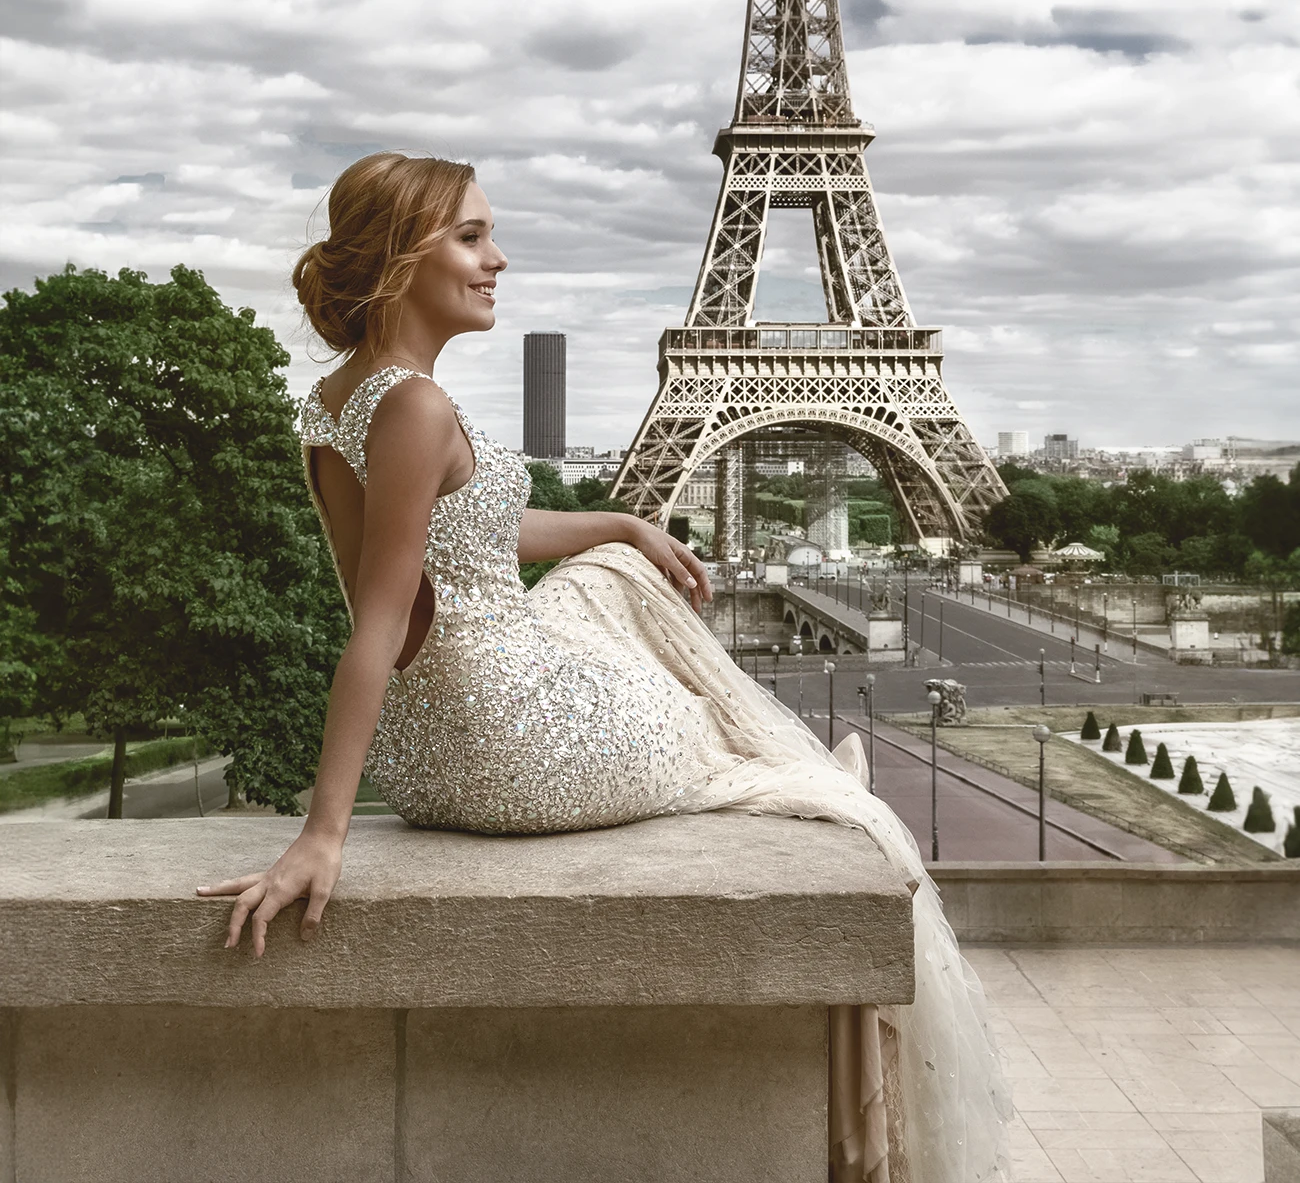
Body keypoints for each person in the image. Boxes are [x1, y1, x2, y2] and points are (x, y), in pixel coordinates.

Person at [197, 152, 1010, 1183]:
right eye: (472, 236)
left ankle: (763, 765)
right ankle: (786, 778)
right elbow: (378, 622)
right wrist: (322, 835)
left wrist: (625, 518)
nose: (499, 257)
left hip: (431, 747)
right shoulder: (416, 408)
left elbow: (470, 538)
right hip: (504, 744)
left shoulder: (343, 397)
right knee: (653, 649)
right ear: (402, 258)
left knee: (612, 567)